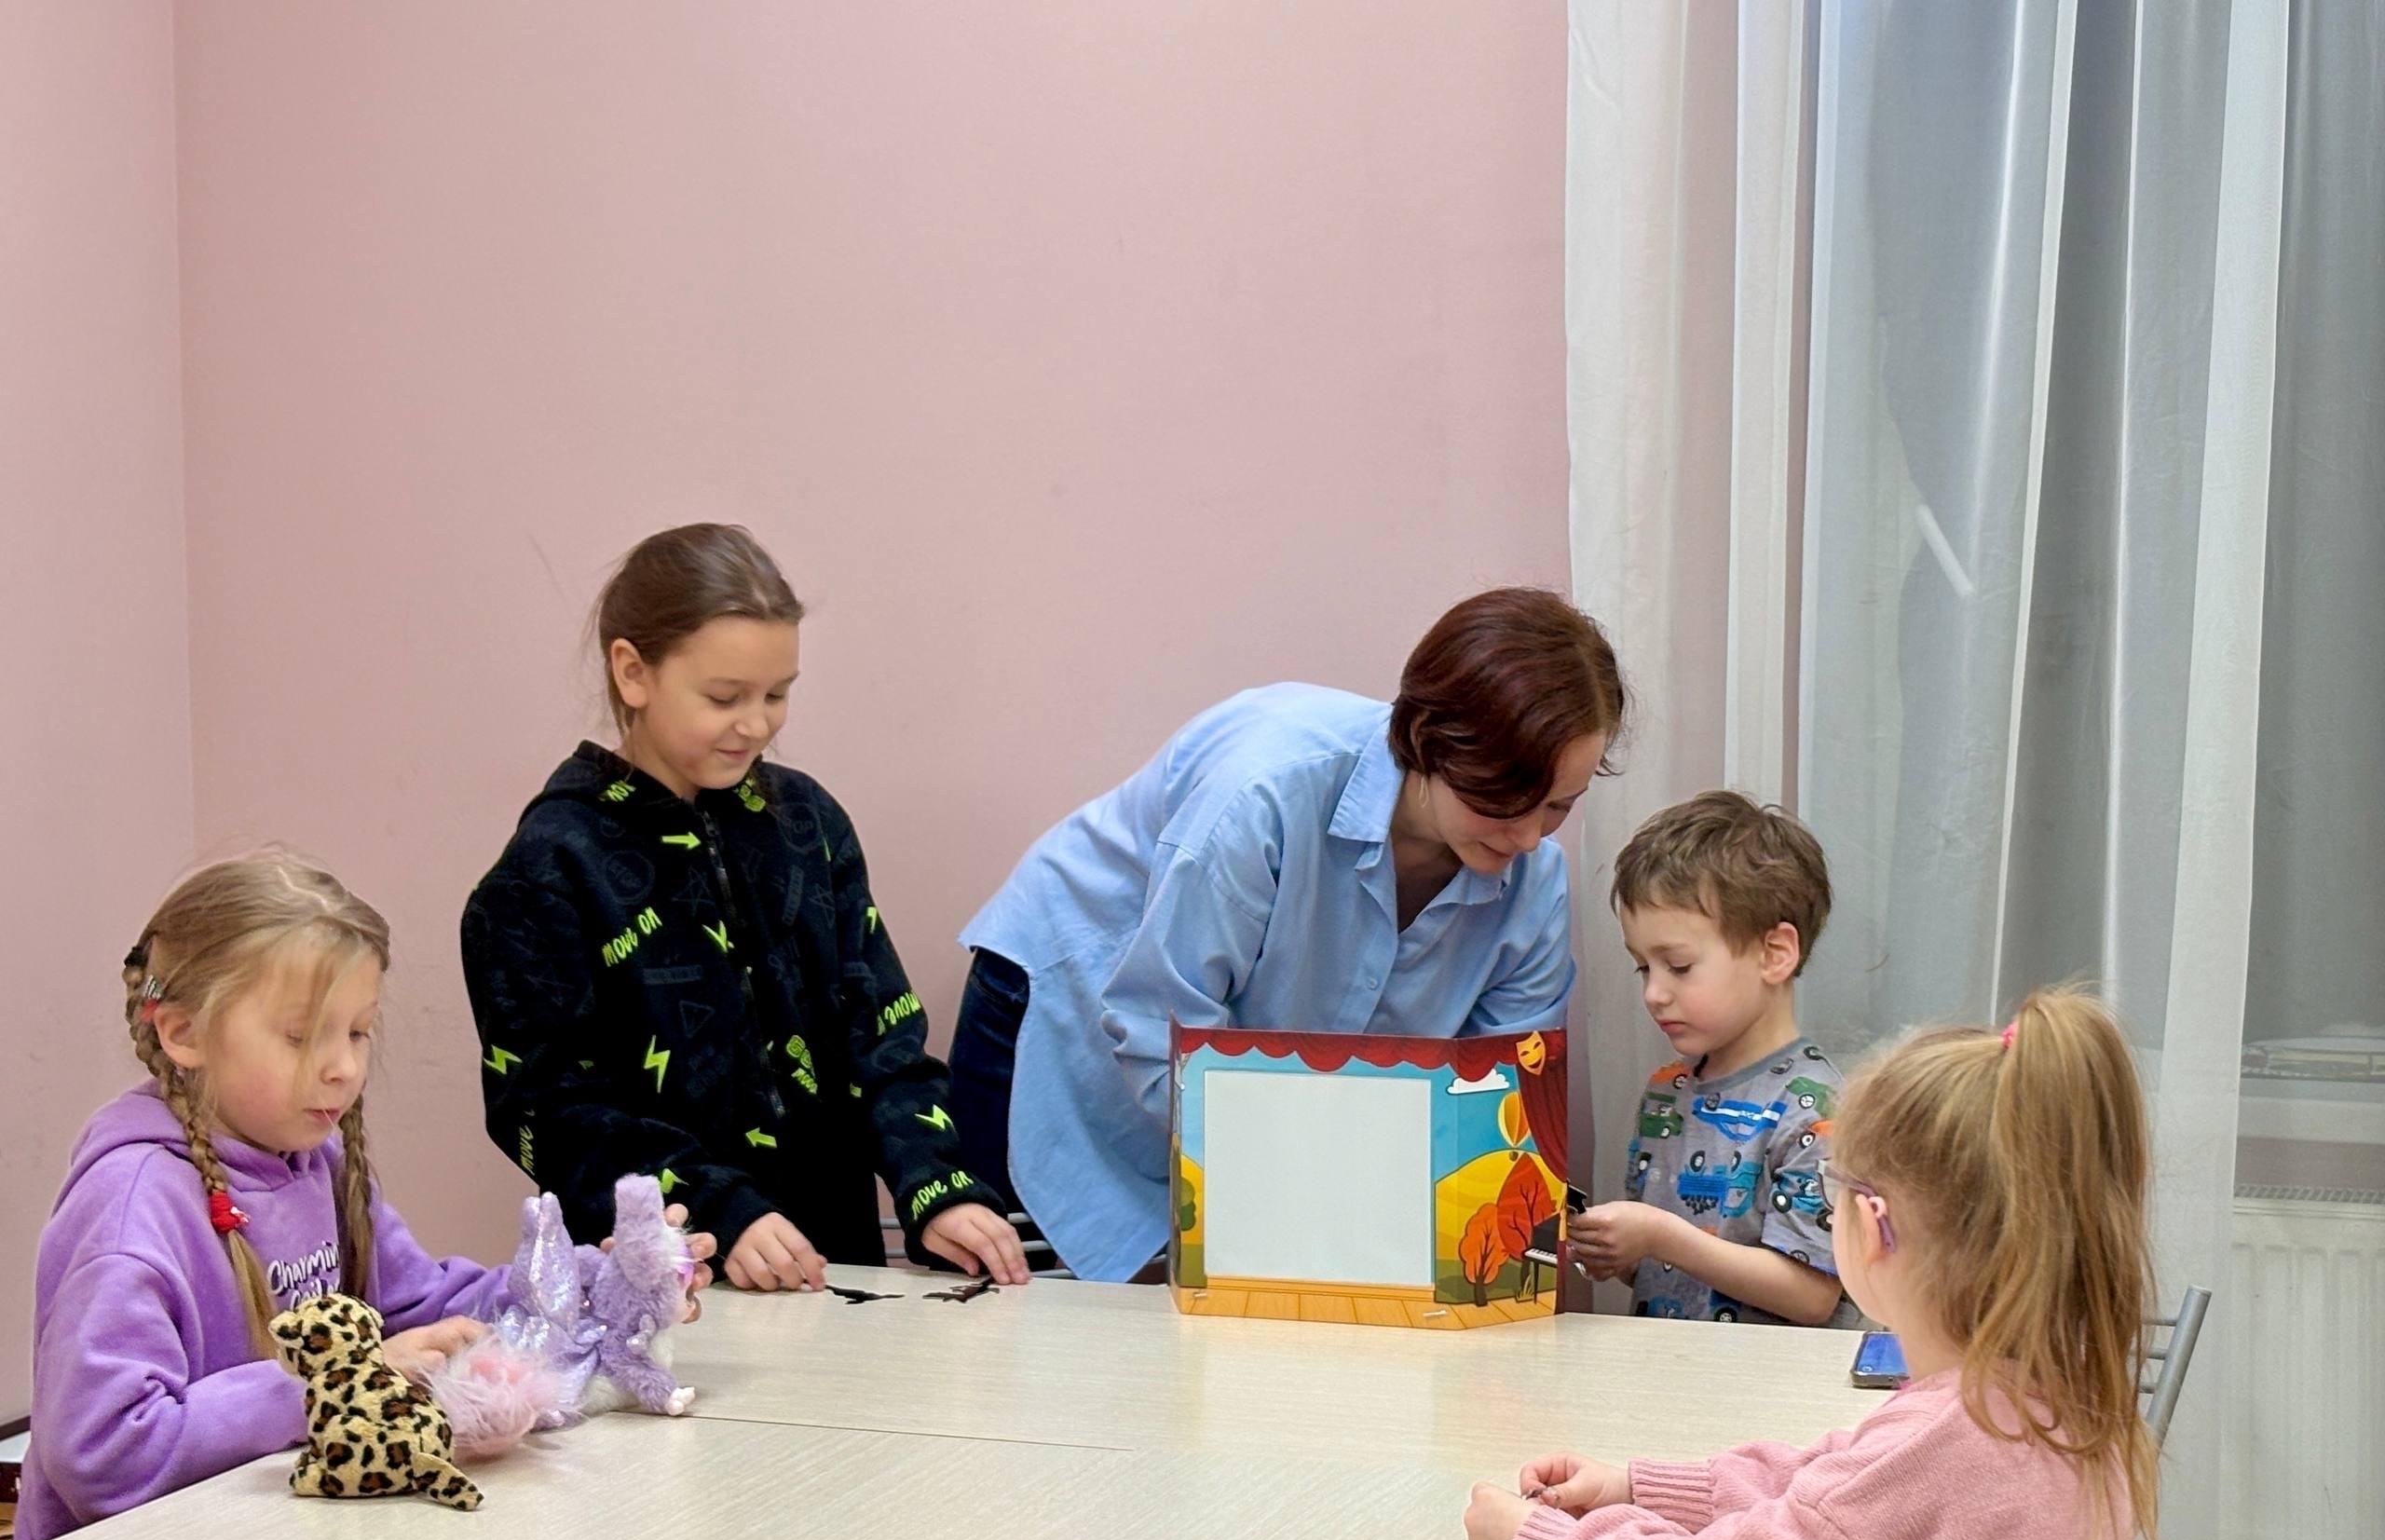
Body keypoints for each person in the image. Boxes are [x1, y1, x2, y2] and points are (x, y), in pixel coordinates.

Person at [1463, 988, 2169, 1540]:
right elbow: (1830, 1485)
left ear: (1874, 1225)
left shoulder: (1942, 1446)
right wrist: (1638, 1486)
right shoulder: (2045, 1390)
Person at [17, 851, 714, 1540]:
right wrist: (328, 1386)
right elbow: (104, 1456)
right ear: (183, 1033)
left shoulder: (315, 1162)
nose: (345, 1067)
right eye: (300, 1036)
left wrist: (595, 1286)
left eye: (357, 1031)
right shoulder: (129, 1210)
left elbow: (424, 1307)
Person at [952, 588, 1628, 1281]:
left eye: (1558, 806)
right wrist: (1313, 1192)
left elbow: (1502, 1108)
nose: (1528, 837)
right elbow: (1161, 1030)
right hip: (1070, 1013)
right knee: (1017, 1313)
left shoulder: (1534, 884)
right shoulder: (1264, 794)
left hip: (1235, 1111)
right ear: (1428, 740)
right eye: (1505, 801)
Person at [461, 523, 1027, 1292]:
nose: (757, 725)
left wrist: (935, 1185)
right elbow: (549, 1110)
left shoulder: (806, 824)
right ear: (633, 672)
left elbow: (880, 1035)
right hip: (671, 1295)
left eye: (777, 694)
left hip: (836, 1272)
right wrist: (719, 1208)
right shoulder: (548, 871)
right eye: (725, 697)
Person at [1571, 791, 1859, 1324]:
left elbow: (1812, 1296)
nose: (1654, 993)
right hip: (1669, 1368)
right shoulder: (1666, 1093)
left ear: (1775, 954)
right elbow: (1670, 1270)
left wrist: (1660, 1235)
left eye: (1678, 966)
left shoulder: (1818, 1108)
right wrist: (1621, 1251)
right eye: (1643, 968)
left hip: (1768, 1377)